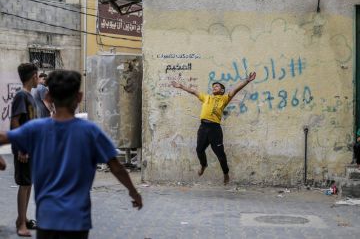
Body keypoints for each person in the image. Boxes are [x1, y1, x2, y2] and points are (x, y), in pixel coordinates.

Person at [0, 70, 143, 239]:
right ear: (79, 97)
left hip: (47, 218)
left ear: (50, 97)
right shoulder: (91, 132)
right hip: (77, 219)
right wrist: (133, 193)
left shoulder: (37, 129)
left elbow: (3, 137)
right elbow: (117, 167)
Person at [172, 72, 256, 185]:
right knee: (199, 149)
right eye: (213, 87)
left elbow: (235, 90)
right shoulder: (206, 97)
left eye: (217, 86)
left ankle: (226, 173)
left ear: (222, 90)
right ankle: (203, 165)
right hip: (203, 127)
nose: (214, 87)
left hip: (215, 129)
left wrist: (247, 80)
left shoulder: (224, 99)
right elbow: (194, 91)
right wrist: (181, 86)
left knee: (220, 154)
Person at [11, 63, 38, 237]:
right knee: (24, 184)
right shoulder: (21, 96)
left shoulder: (29, 96)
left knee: (28, 183)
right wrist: (21, 149)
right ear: (34, 76)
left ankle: (23, 218)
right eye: (38, 75)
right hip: (24, 149)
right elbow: (15, 122)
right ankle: (21, 224)